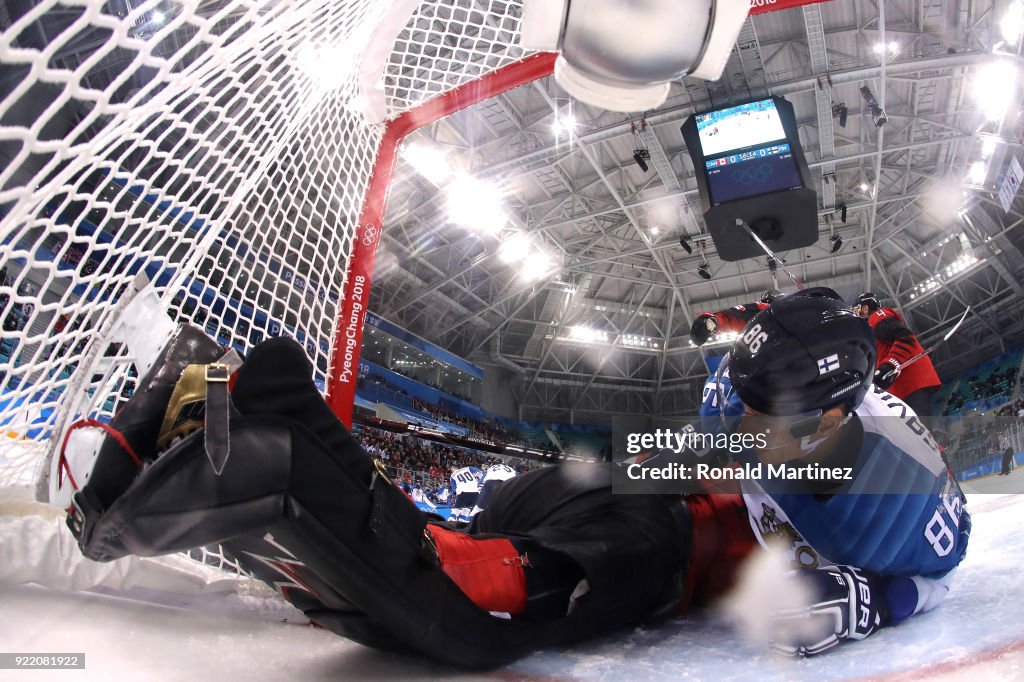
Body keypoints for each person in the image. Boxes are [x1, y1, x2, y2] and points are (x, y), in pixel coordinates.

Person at [65, 289, 969, 667]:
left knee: (457, 547)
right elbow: (707, 461)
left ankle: (233, 398)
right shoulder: (796, 428)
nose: (751, 422)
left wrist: (877, 597)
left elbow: (930, 554)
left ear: (838, 411)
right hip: (653, 529)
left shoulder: (890, 481)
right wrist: (872, 603)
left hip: (614, 498)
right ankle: (274, 454)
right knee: (473, 615)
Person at [854, 292, 942, 417]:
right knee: (911, 434)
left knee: (918, 432)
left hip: (910, 382)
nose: (857, 314)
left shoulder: (876, 318)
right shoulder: (870, 331)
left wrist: (889, 365)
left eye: (858, 310)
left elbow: (906, 339)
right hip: (902, 389)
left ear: (866, 308)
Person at [689, 289, 781, 346]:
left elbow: (715, 318)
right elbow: (718, 319)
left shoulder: (721, 317)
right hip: (763, 330)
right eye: (709, 326)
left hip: (765, 325)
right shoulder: (721, 323)